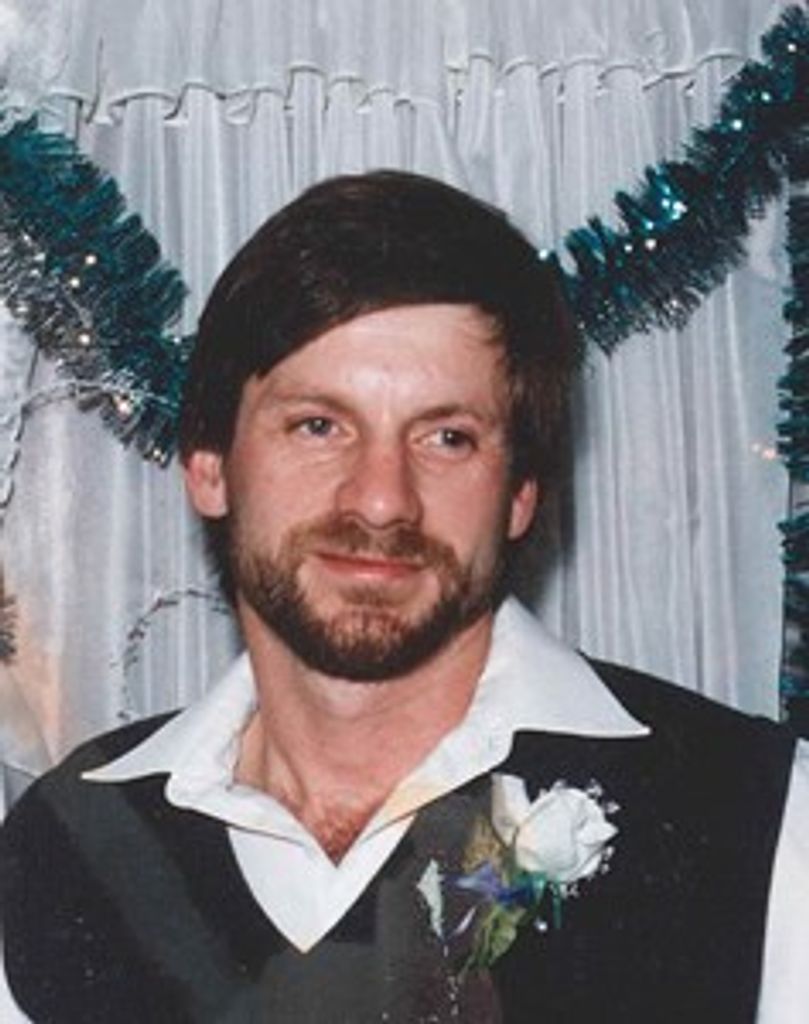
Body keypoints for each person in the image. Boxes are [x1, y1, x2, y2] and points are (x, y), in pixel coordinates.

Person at [1, 170, 807, 1023]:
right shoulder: (62, 850)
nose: (382, 499)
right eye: (318, 425)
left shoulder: (761, 821)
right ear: (209, 466)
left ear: (519, 494)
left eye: (447, 437)